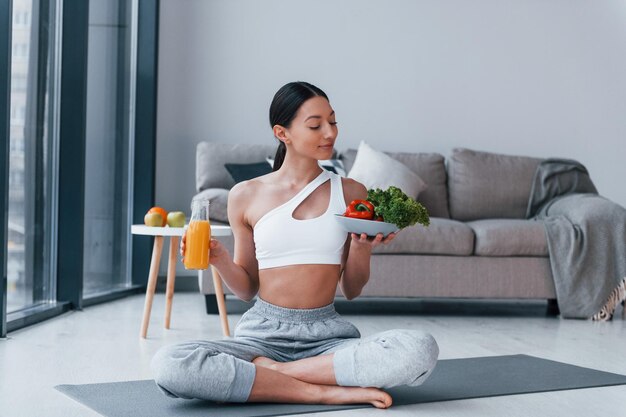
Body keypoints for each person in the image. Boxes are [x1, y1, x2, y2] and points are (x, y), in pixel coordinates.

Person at [151, 81, 439, 409]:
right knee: (170, 363)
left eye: (332, 121)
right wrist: (219, 259)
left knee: (419, 350)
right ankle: (320, 390)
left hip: (328, 338)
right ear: (282, 133)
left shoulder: (351, 191)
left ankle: (274, 375)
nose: (330, 133)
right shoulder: (245, 195)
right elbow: (247, 289)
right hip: (261, 337)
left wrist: (362, 246)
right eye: (315, 125)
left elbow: (353, 288)